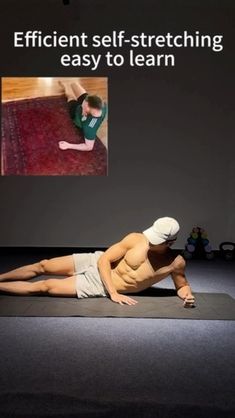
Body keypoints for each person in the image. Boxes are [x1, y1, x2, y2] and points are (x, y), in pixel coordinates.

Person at [0, 217, 195, 308]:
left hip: (98, 285)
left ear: (170, 242)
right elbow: (104, 259)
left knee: (44, 286)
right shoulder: (136, 238)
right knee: (43, 264)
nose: (150, 240)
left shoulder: (175, 262)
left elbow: (182, 285)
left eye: (157, 240)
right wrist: (113, 293)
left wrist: (186, 296)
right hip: (96, 263)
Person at [58, 80, 107, 151]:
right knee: (74, 84)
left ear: (88, 109)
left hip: (76, 115)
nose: (81, 105)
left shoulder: (89, 127)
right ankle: (70, 83)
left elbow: (89, 147)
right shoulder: (101, 104)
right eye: (84, 102)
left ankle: (65, 86)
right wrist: (84, 106)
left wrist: (68, 145)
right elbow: (86, 102)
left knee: (71, 97)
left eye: (83, 107)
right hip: (89, 106)